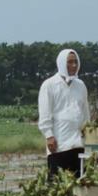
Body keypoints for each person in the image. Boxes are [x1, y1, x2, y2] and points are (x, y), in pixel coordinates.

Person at [38, 49, 90, 179]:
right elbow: (45, 113)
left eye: (75, 62)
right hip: (59, 144)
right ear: (61, 63)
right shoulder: (49, 85)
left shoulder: (81, 85)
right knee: (58, 186)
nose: (73, 65)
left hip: (78, 144)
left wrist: (88, 132)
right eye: (70, 62)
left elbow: (85, 112)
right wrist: (49, 136)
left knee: (79, 185)